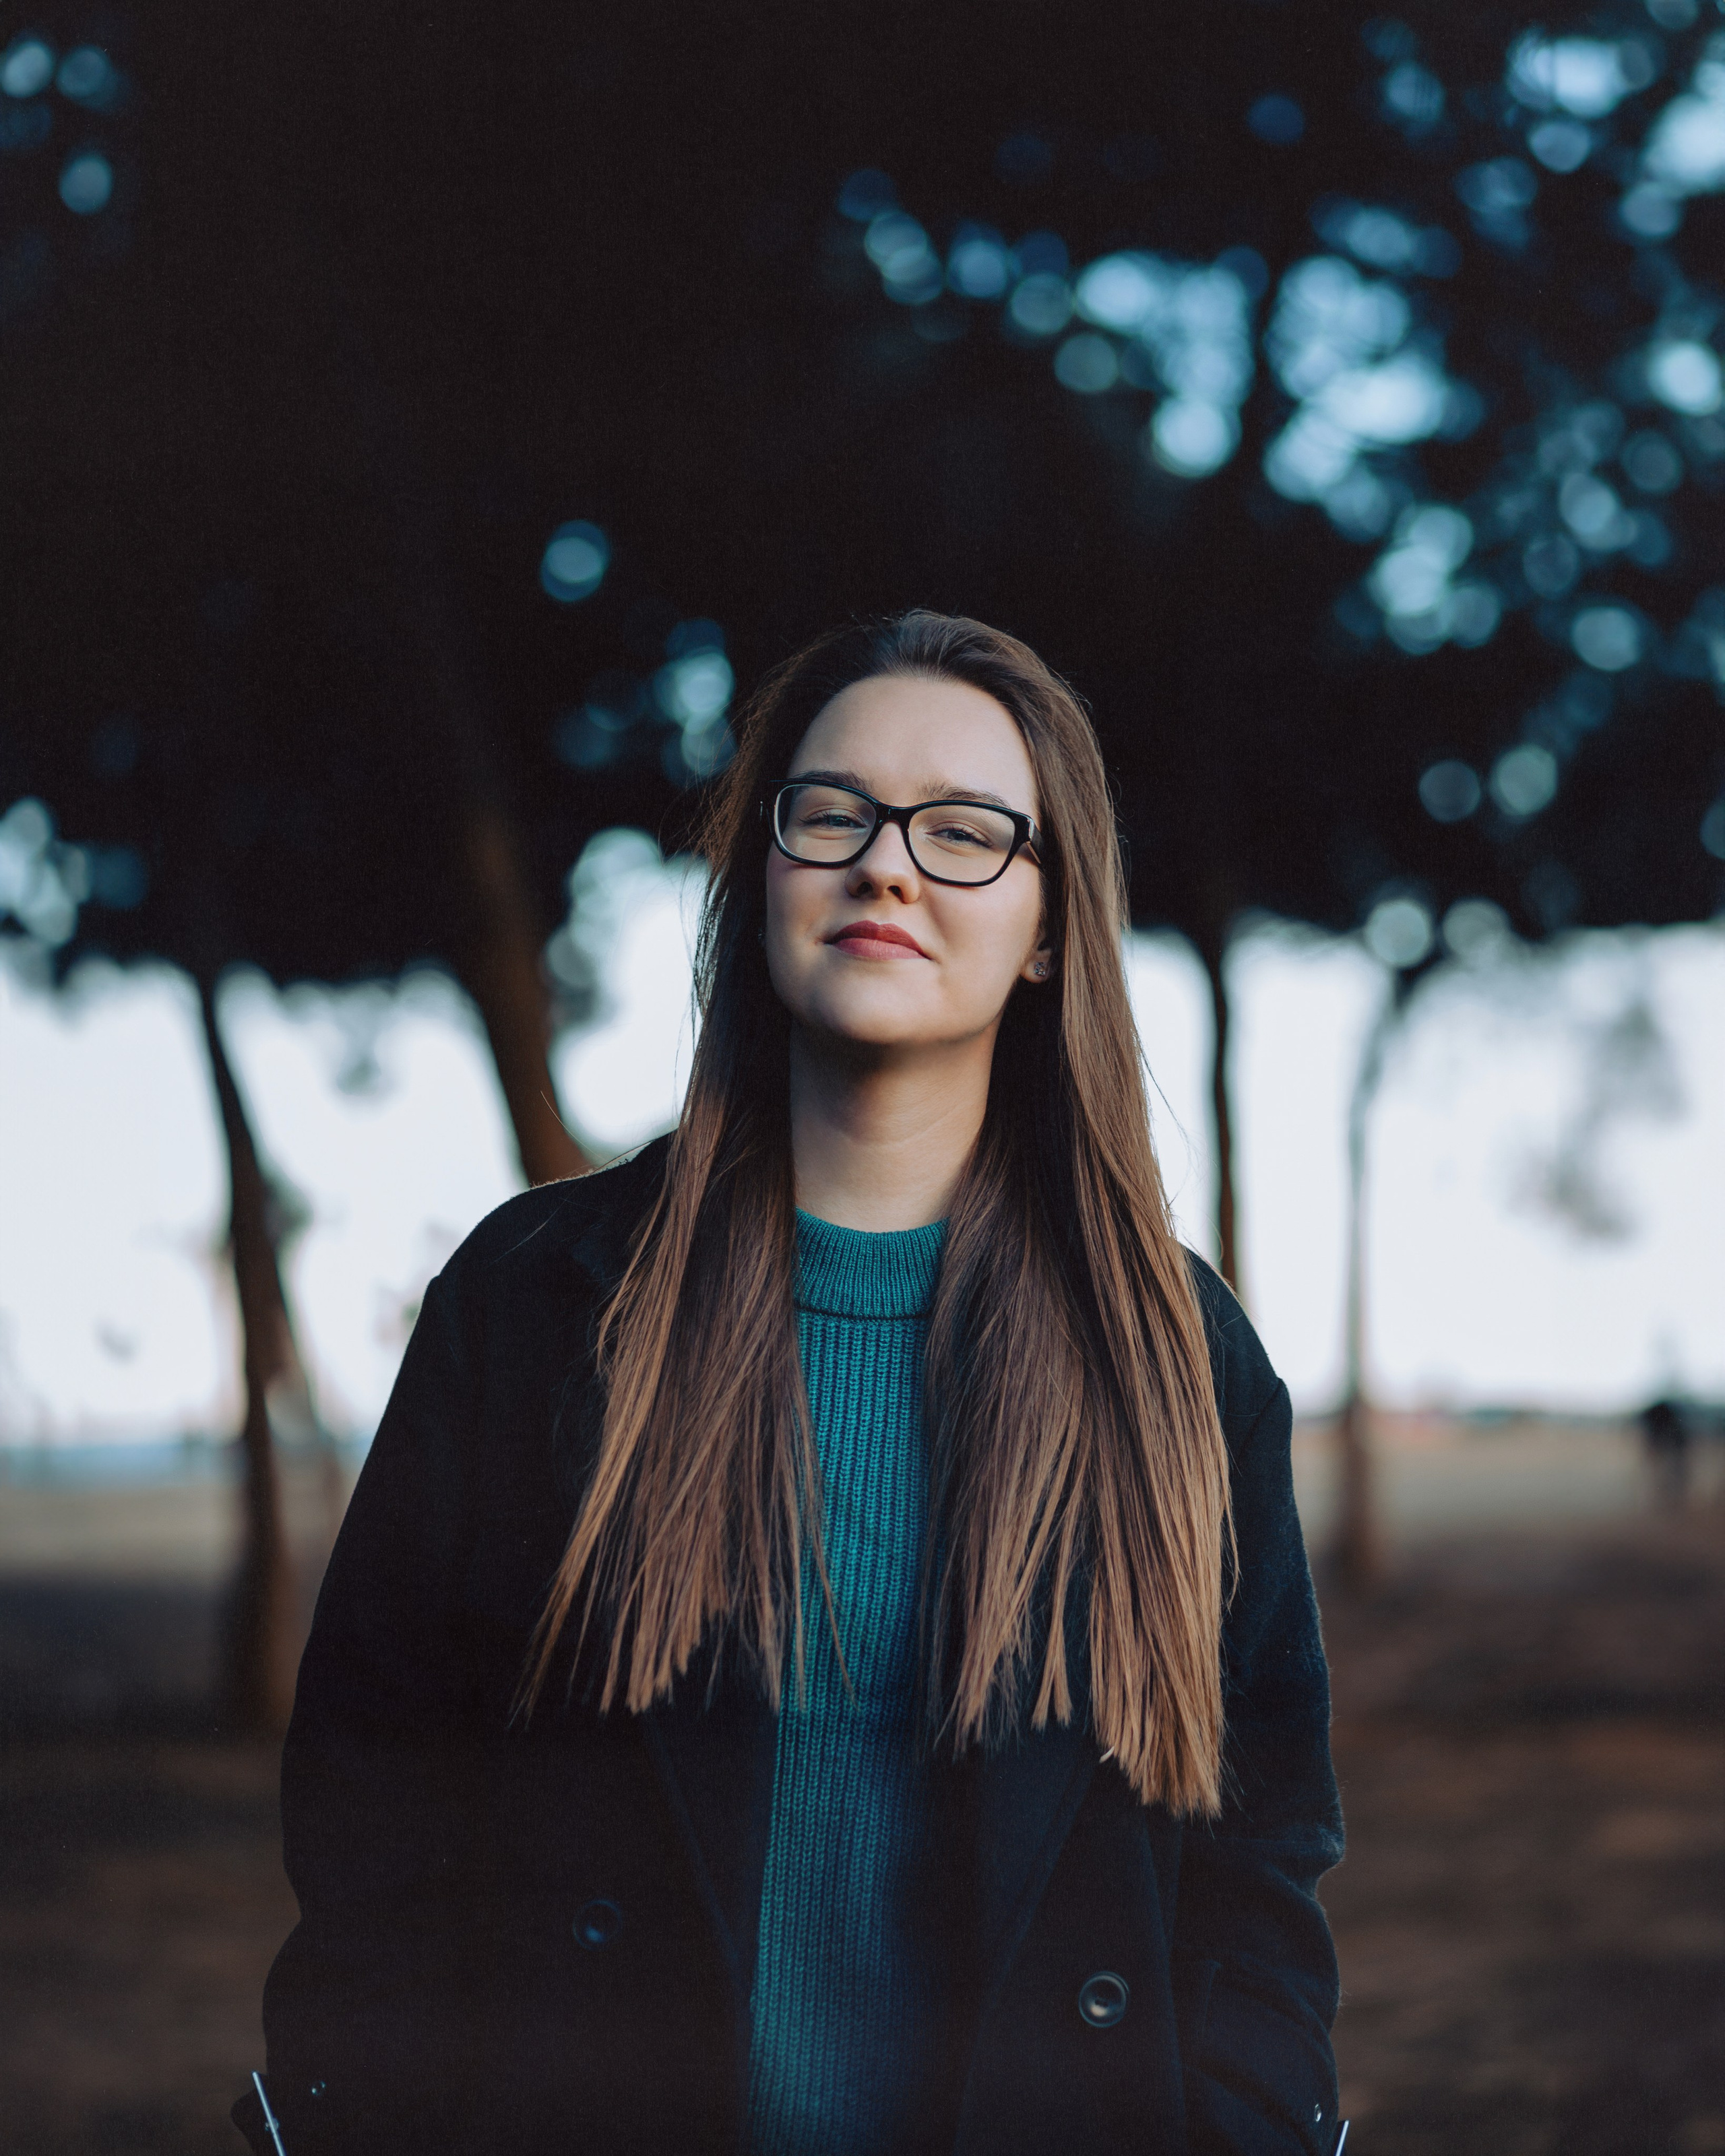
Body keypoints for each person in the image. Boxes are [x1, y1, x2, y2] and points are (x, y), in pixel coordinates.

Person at [234, 611, 1344, 2156]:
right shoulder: (533, 1306)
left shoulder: (1177, 1357)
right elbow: (376, 1809)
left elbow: (1259, 1856)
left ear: (1047, 927)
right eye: (833, 813)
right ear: (761, 871)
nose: (886, 866)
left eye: (963, 831)